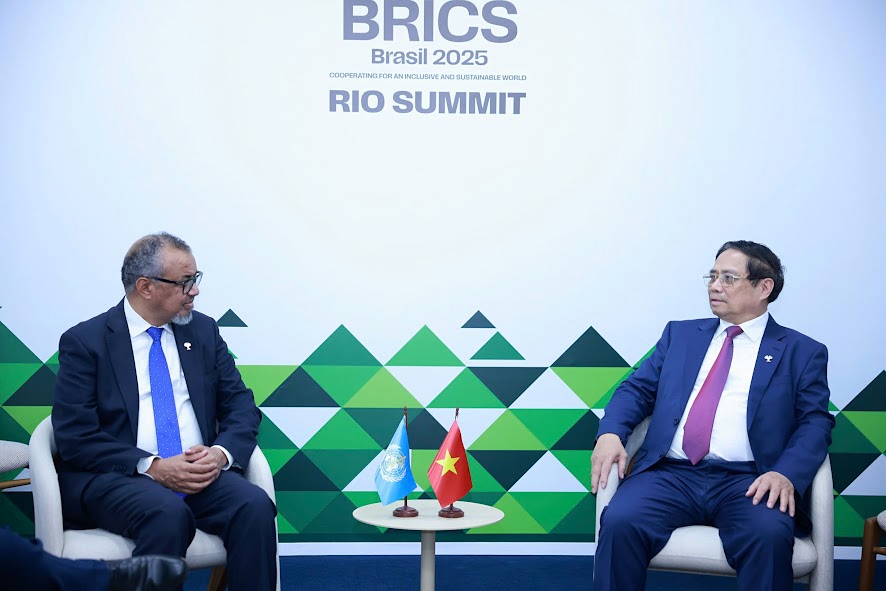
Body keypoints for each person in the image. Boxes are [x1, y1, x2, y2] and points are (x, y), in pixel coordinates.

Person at [590, 240, 834, 591]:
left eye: (729, 278)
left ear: (764, 287)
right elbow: (636, 390)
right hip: (670, 474)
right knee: (619, 522)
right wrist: (611, 433)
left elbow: (815, 421)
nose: (714, 286)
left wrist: (785, 473)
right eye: (713, 275)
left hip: (750, 480)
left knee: (768, 535)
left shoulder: (802, 352)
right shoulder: (681, 335)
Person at [51, 232, 277, 591]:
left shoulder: (203, 331)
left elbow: (240, 405)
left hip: (198, 474)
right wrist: (154, 467)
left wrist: (219, 455)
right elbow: (75, 435)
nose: (195, 291)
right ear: (146, 287)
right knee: (166, 513)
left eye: (195, 279)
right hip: (119, 478)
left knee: (253, 505)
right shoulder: (86, 342)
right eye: (186, 281)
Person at [0, 526, 187, 591]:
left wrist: (217, 452)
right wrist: (152, 466)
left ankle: (104, 578)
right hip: (128, 476)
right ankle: (108, 579)